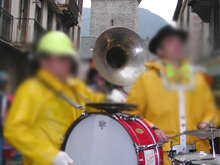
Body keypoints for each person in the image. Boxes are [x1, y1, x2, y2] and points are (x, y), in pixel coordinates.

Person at [4, 31, 105, 165]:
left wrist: (111, 101)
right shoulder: (32, 89)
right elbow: (14, 131)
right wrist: (48, 155)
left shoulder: (74, 86)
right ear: (45, 61)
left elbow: (94, 103)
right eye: (61, 59)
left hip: (72, 158)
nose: (67, 64)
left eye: (68, 59)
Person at [126, 25, 220, 165]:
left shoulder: (198, 78)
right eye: (170, 42)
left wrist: (207, 122)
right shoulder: (145, 79)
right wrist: (152, 130)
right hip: (162, 156)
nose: (177, 45)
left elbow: (212, 110)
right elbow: (130, 112)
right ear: (160, 50)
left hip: (199, 156)